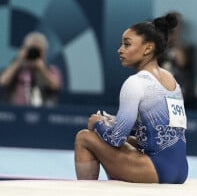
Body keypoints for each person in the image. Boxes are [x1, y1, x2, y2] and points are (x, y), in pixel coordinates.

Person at [74, 12, 188, 184]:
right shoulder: (171, 79)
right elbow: (164, 131)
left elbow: (116, 139)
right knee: (126, 140)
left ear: (148, 49)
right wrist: (112, 121)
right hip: (180, 170)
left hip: (156, 169)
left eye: (127, 44)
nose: (120, 50)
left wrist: (97, 124)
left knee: (85, 137)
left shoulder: (135, 82)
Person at [0, 31, 62, 107]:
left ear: (45, 52)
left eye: (38, 50)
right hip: (14, 112)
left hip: (43, 113)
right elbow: (2, 82)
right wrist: (19, 60)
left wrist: (42, 69)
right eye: (31, 49)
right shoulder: (15, 67)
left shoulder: (51, 69)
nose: (34, 52)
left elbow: (55, 86)